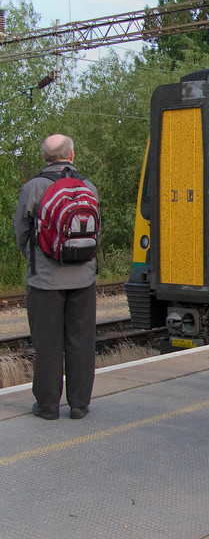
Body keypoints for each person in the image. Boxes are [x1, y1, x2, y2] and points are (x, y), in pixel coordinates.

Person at [13, 134, 97, 420]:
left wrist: (35, 257)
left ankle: (48, 407)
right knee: (81, 341)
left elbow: (21, 232)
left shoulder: (33, 188)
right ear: (71, 156)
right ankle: (79, 405)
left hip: (45, 281)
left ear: (44, 158)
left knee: (48, 344)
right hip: (84, 278)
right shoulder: (88, 186)